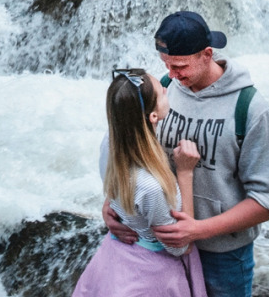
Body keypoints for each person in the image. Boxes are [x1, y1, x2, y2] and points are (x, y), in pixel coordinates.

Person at [103, 11, 269, 297]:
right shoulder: (162, 90)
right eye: (166, 65)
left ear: (207, 54)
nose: (173, 75)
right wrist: (114, 203)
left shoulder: (251, 109)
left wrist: (199, 230)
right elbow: (132, 146)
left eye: (180, 66)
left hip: (223, 256)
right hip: (161, 249)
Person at [73, 68, 206, 297]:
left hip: (114, 261)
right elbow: (180, 246)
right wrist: (185, 173)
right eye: (162, 92)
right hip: (150, 277)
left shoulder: (110, 143)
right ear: (153, 116)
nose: (167, 89)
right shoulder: (150, 185)